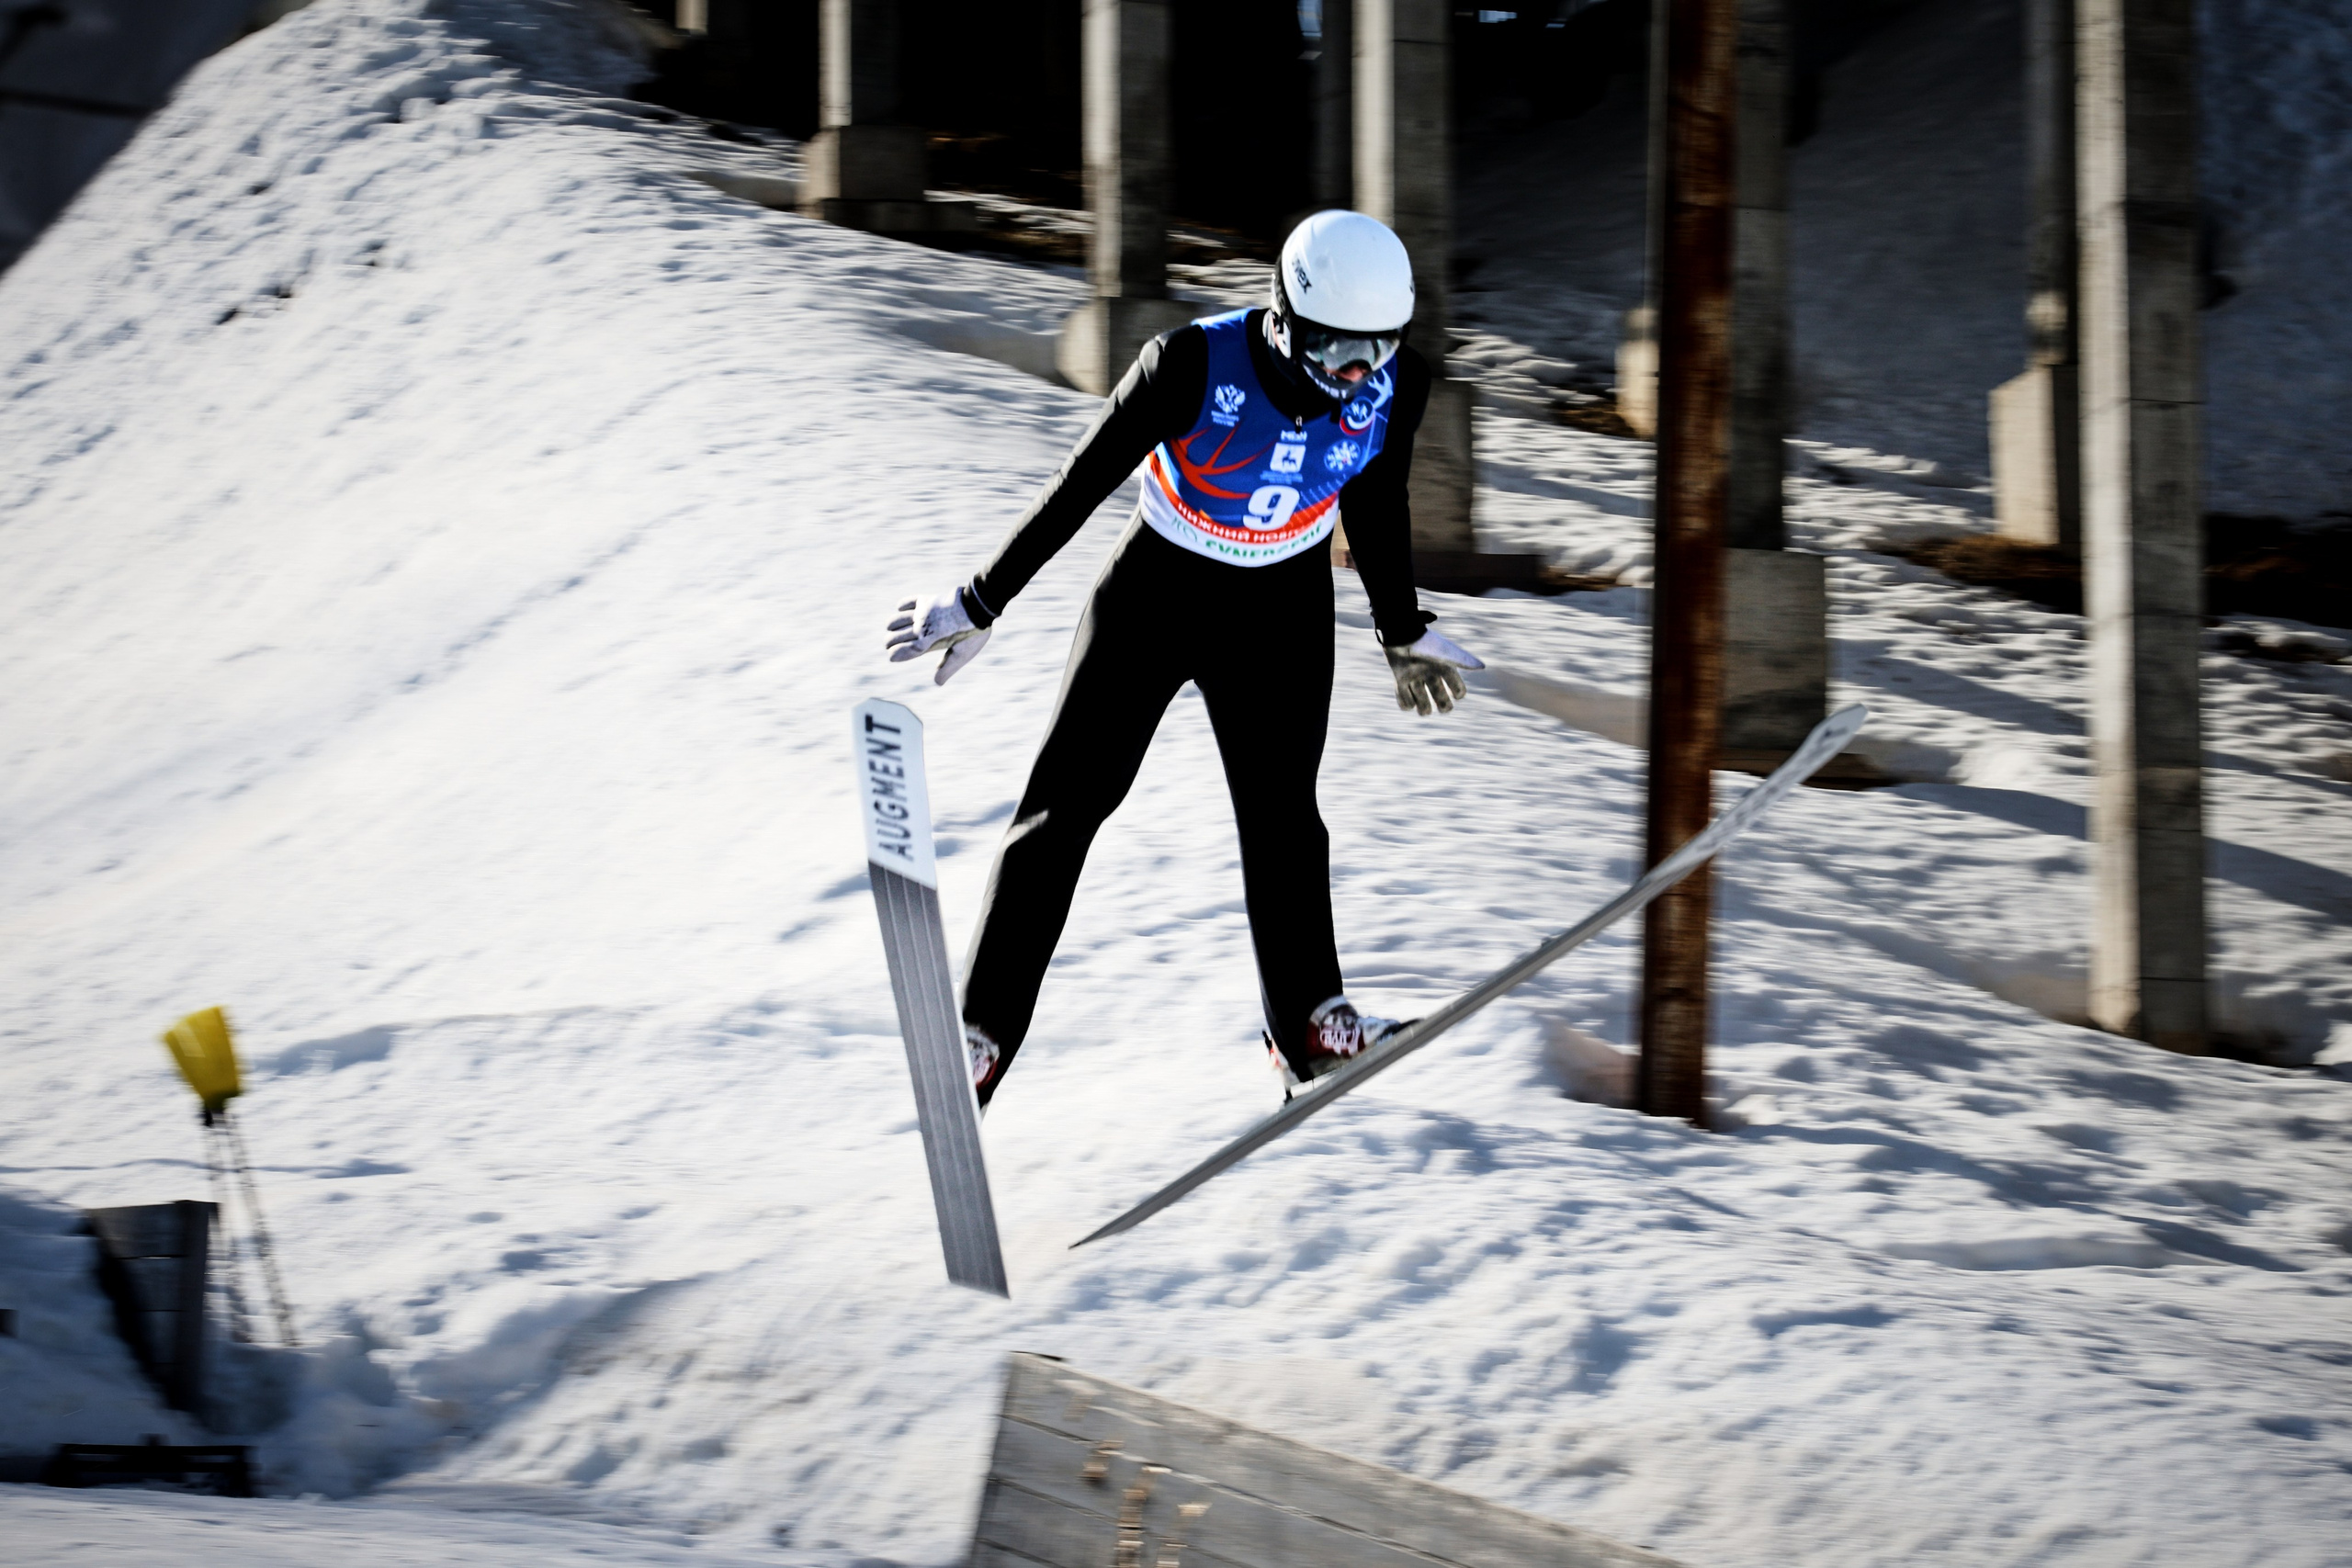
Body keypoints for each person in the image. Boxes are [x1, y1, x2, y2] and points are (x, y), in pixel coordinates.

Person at [883, 209, 1482, 1107]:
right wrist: (981, 598)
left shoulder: (1398, 383)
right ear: (1283, 320)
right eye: (1333, 355)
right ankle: (982, 1034)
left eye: (1375, 353)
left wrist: (1400, 628)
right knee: (1064, 811)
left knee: (1285, 821)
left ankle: (1309, 1027)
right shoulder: (1192, 364)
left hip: (1282, 607)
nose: (1354, 378)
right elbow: (1079, 483)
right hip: (1157, 594)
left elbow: (1378, 496)